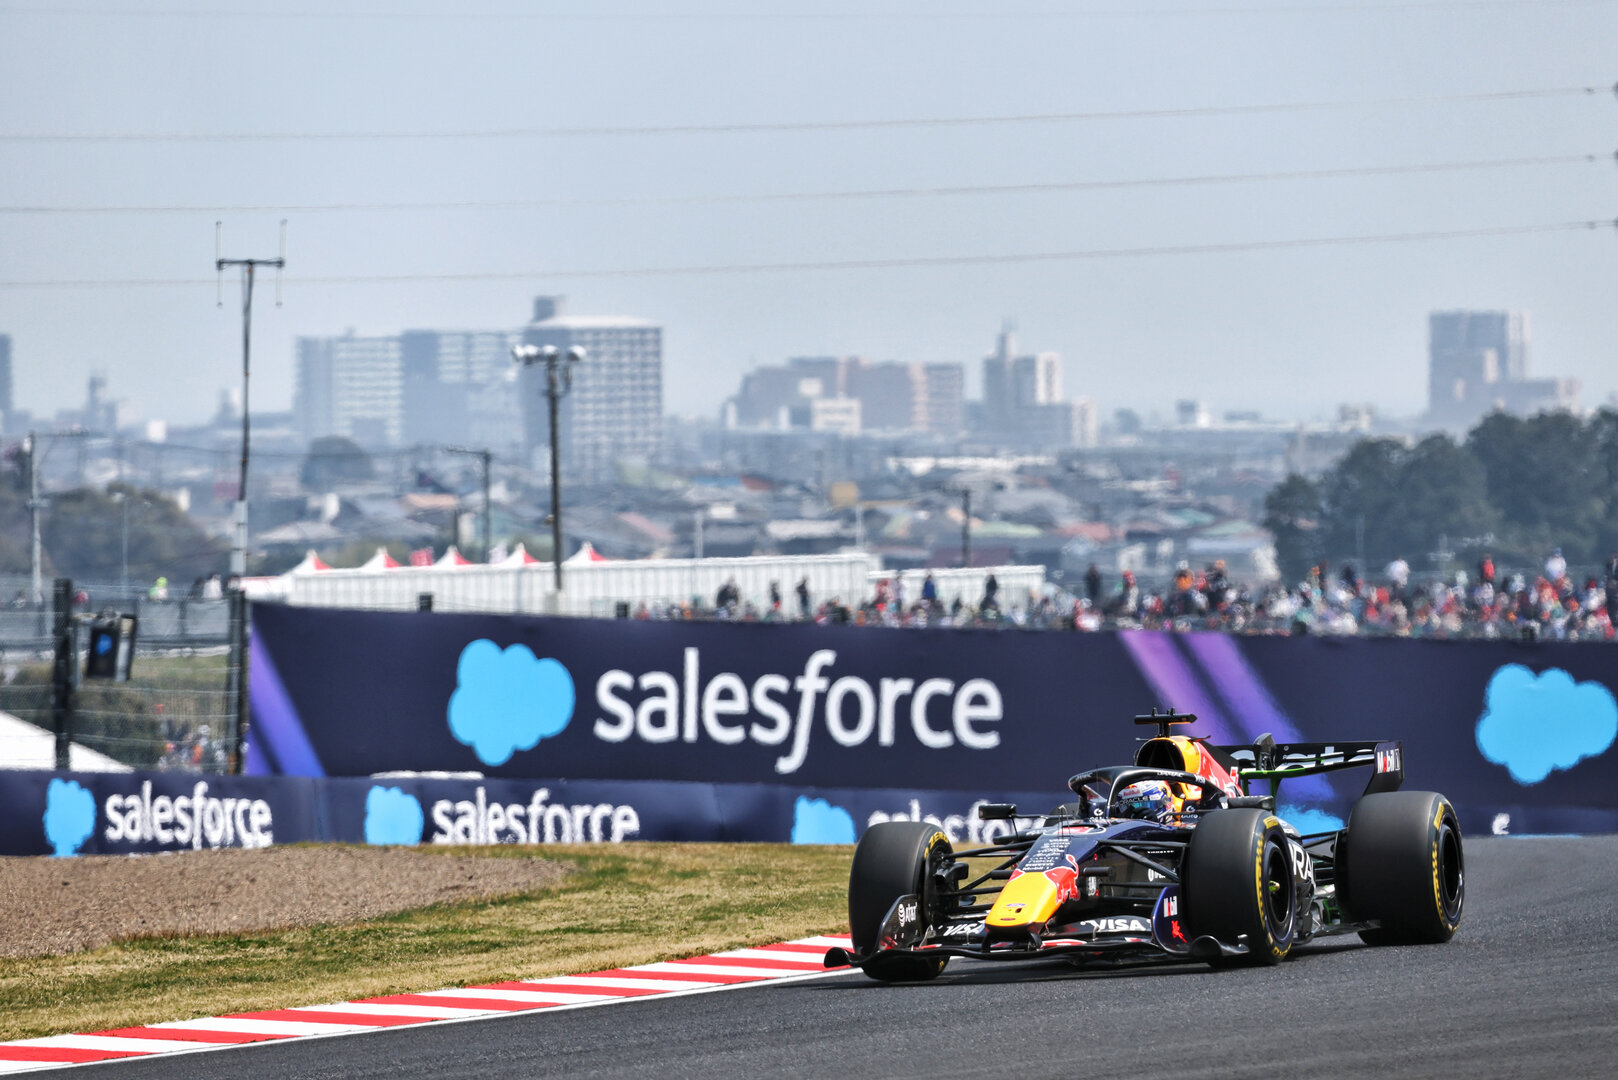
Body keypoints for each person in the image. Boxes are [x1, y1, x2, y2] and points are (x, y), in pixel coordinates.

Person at [1114, 779, 1179, 822]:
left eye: (1146, 805)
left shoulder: (1181, 829)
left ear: (1165, 801)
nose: (1138, 814)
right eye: (1128, 807)